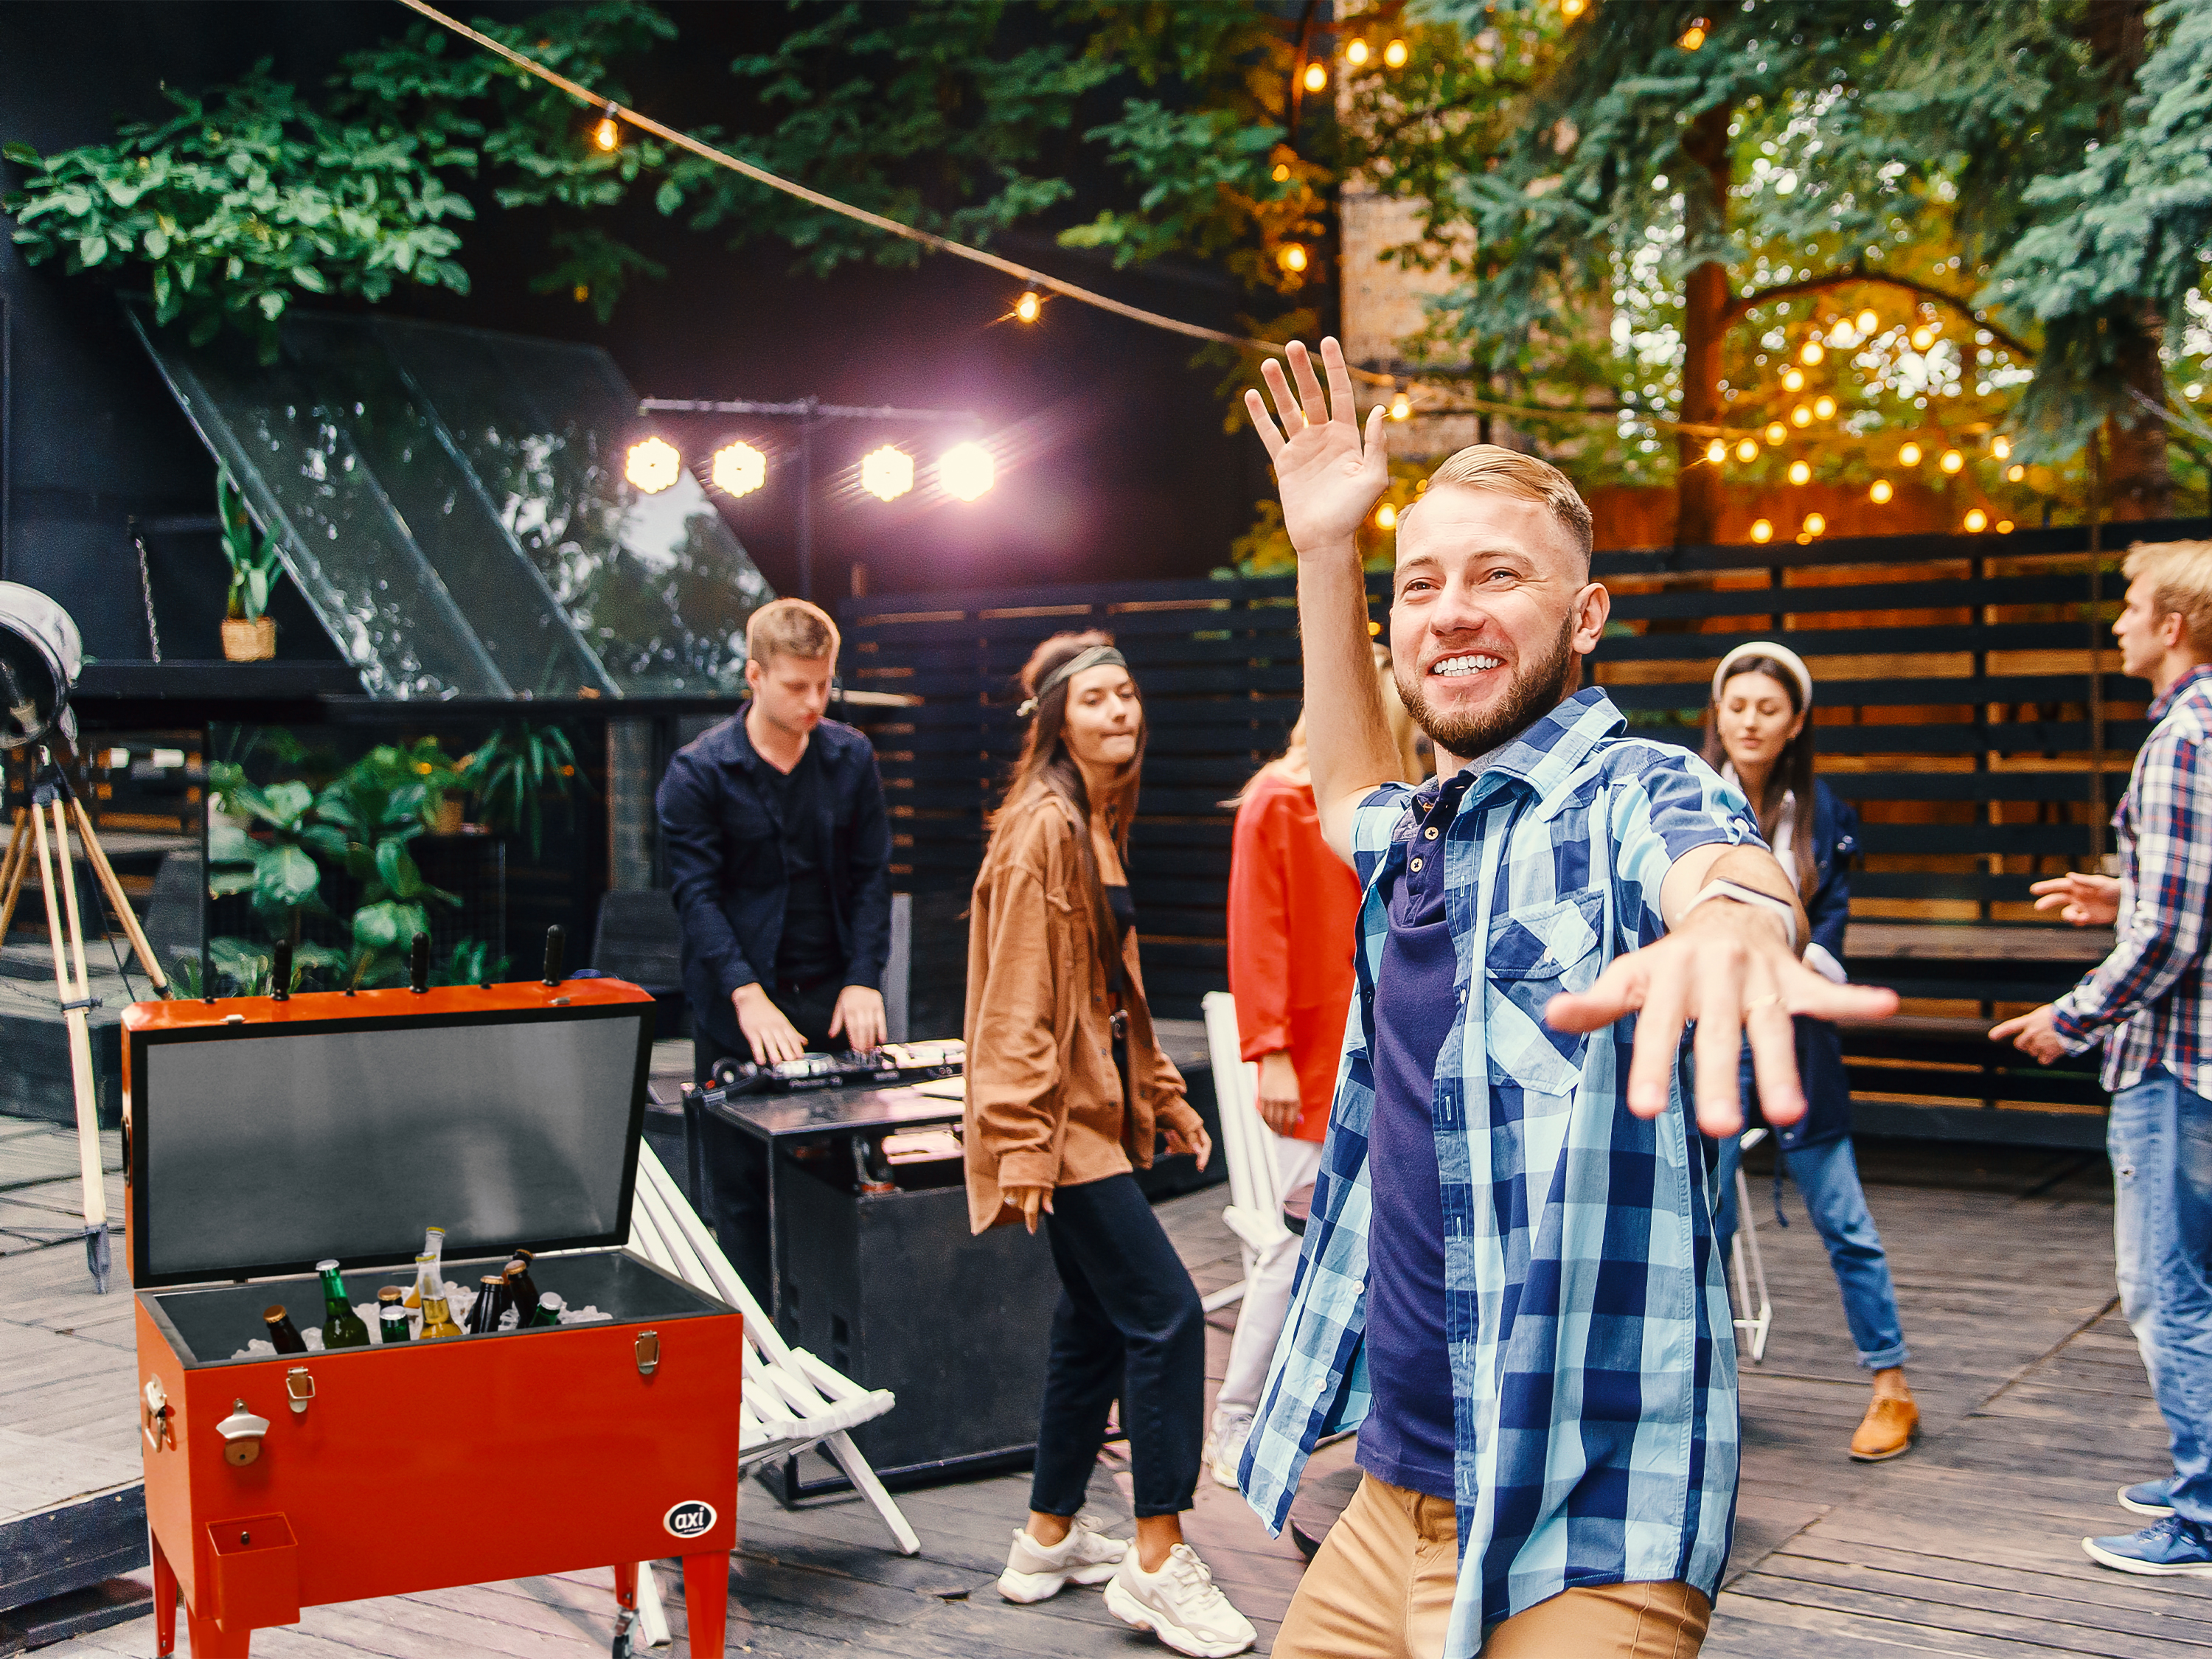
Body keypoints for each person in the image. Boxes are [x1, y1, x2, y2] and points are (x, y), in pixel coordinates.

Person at [1238, 338, 1896, 1659]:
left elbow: (1717, 859)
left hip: (1588, 1520)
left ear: (1586, 617)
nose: (1451, 609)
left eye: (1499, 576)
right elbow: (1356, 794)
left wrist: (1733, 923)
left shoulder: (1636, 789)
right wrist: (1327, 551)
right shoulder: (1433, 827)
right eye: (1421, 584)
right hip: (1386, 1501)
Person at [962, 630, 1257, 1658]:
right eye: (1096, 699)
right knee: (1168, 1314)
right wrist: (1021, 1143)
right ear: (1055, 718)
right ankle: (1160, 1556)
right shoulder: (1041, 826)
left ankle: (1045, 1536)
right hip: (1059, 1125)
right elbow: (1017, 999)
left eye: (1128, 694)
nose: (1120, 711)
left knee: (1092, 1320)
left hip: (1097, 1110)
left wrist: (1164, 1095)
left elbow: (1110, 992)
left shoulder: (1093, 817)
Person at [1991, 538, 2212, 1579]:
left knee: (2167, 1290)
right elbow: (2181, 907)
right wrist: (2119, 896)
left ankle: (2205, 1510)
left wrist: (2068, 1018)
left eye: (2130, 606)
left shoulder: (2181, 738)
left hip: (2173, 1067)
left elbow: (2172, 940)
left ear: (2173, 626)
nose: (2118, 622)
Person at [1704, 641, 1918, 1461]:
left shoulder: (1824, 812)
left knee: (1845, 1220)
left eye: (1768, 709)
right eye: (1737, 706)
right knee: (1705, 1223)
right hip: (1713, 1041)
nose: (1751, 721)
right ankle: (1705, 1388)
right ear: (1718, 716)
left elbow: (1832, 929)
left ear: (1795, 723)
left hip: (1799, 1039)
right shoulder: (1683, 797)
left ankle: (1892, 1386)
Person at [657, 597, 892, 1304]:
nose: (815, 701)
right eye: (797, 686)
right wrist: (745, 992)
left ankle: (841, 1340)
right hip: (740, 1003)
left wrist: (864, 979)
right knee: (738, 1194)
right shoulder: (698, 772)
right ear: (754, 676)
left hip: (831, 991)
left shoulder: (852, 758)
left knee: (845, 1176)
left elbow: (872, 878)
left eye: (824, 684)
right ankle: (754, 1356)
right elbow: (696, 895)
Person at [1208, 710, 1366, 1488]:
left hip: (1370, 1052)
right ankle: (1234, 1417)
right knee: (1292, 1243)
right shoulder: (1280, 795)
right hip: (1305, 1056)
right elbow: (1257, 927)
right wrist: (1268, 1049)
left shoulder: (1383, 794)